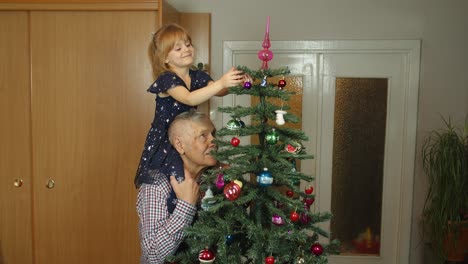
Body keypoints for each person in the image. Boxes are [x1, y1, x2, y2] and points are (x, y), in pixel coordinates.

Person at [134, 23, 243, 193]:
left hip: (188, 137)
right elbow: (188, 97)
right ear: (165, 59)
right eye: (178, 48)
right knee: (173, 181)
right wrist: (221, 82)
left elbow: (219, 91)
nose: (186, 49)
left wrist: (235, 83)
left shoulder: (197, 76)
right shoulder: (167, 79)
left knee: (196, 175)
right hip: (166, 140)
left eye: (188, 44)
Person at [136, 110, 218, 264]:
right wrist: (185, 206)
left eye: (213, 134)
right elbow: (153, 255)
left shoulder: (218, 180)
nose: (213, 140)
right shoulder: (157, 183)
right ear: (180, 145)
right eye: (203, 135)